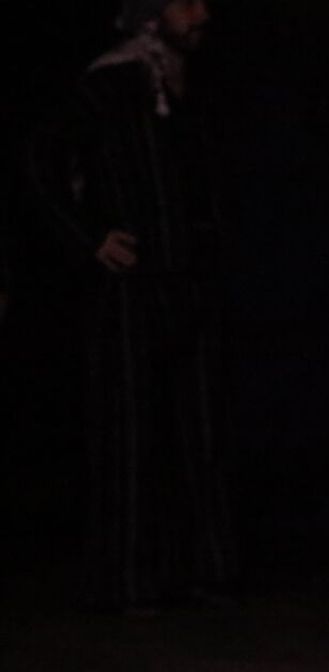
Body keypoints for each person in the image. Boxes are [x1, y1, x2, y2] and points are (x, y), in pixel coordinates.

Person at [26, 0, 233, 611]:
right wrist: (88, 238)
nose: (200, 14)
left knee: (197, 433)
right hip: (130, 290)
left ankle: (202, 570)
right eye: (185, 3)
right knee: (133, 437)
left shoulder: (188, 84)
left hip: (186, 282)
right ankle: (129, 579)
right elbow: (39, 162)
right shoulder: (110, 83)